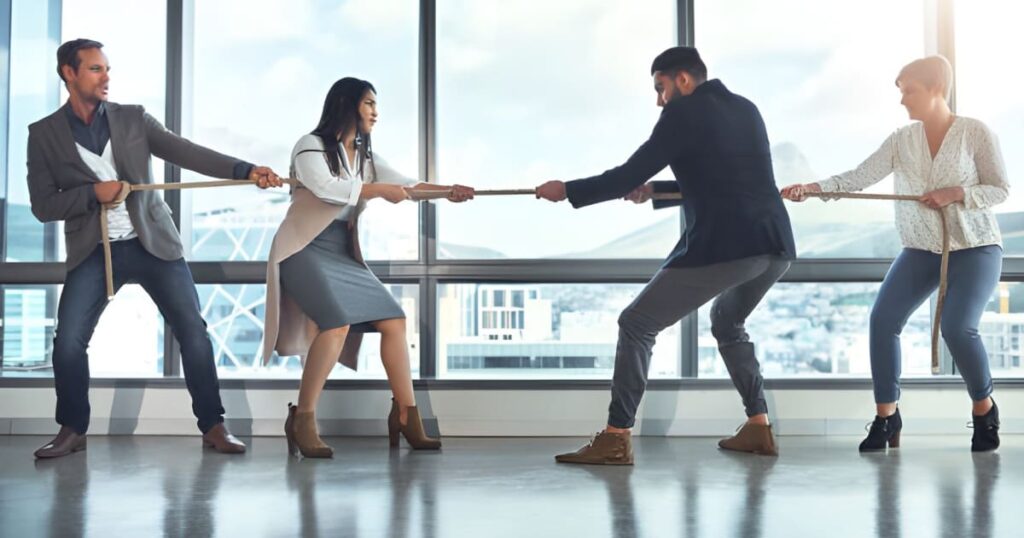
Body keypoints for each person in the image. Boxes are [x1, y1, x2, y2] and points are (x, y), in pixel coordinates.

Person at [536, 47, 796, 464]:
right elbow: (725, 178)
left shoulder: (683, 114)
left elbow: (627, 173)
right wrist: (655, 191)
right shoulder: (746, 109)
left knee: (636, 323)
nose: (659, 100)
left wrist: (567, 189)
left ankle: (616, 436)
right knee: (727, 321)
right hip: (775, 244)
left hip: (728, 245)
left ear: (683, 80)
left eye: (661, 88)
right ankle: (758, 427)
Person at [27, 38, 283, 459]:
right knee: (68, 341)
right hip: (94, 249)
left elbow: (188, 153)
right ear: (69, 74)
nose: (106, 76)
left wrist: (245, 170)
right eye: (95, 69)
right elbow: (43, 205)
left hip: (154, 244)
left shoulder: (133, 119)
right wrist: (94, 192)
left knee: (193, 334)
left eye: (107, 68)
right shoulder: (44, 135)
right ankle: (71, 428)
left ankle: (214, 425)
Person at [781, 55, 1007, 452]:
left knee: (957, 327)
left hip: (975, 247)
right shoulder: (901, 140)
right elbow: (858, 176)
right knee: (882, 319)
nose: (903, 100)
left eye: (910, 91)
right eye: (901, 93)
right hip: (921, 249)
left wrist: (956, 193)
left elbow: (1000, 188)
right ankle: (887, 417)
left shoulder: (975, 133)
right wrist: (813, 188)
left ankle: (984, 410)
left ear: (937, 88)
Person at [262, 77, 474, 458]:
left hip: (342, 250)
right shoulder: (309, 146)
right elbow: (327, 188)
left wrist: (446, 192)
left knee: (394, 321)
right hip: (303, 249)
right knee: (336, 323)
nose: (376, 112)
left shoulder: (366, 157)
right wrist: (377, 191)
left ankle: (407, 417)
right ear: (347, 104)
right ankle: (303, 419)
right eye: (369, 104)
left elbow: (407, 186)